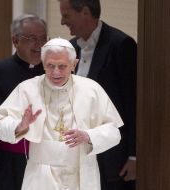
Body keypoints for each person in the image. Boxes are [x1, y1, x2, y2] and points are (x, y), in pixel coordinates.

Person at [0, 37, 124, 190]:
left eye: (62, 66)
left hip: (81, 172)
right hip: (40, 175)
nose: (56, 72)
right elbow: (1, 126)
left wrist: (88, 136)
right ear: (43, 64)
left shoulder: (91, 90)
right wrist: (19, 126)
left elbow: (114, 132)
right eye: (50, 66)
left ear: (73, 64)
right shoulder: (27, 89)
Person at [58, 0, 137, 190]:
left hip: (112, 159)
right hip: (75, 156)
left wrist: (135, 156)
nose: (62, 21)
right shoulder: (69, 48)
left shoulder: (121, 45)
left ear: (85, 12)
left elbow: (134, 104)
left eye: (66, 15)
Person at [0, 14, 47, 190]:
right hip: (7, 159)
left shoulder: (54, 72)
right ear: (15, 41)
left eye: (43, 38)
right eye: (32, 39)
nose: (39, 44)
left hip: (44, 157)